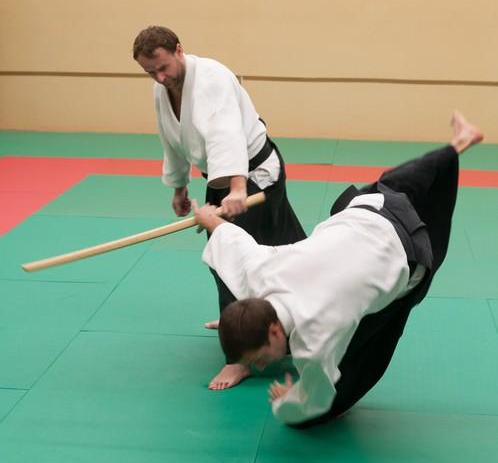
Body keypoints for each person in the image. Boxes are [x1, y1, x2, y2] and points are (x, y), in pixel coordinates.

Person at [193, 111, 483, 426]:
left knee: (370, 343)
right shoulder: (260, 274)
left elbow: (316, 397)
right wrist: (209, 218)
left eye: (259, 358)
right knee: (398, 183)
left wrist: (287, 403)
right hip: (370, 206)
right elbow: (233, 241)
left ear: (275, 331)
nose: (261, 367)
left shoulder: (314, 342)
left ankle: (459, 145)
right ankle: (458, 144)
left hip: (409, 252)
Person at [132, 25, 306, 390]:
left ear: (179, 50)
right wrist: (179, 186)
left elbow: (227, 133)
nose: (159, 77)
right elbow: (171, 139)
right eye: (151, 72)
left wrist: (238, 187)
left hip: (255, 173)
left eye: (162, 67)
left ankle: (240, 355)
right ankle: (245, 319)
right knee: (258, 246)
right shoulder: (162, 89)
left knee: (233, 251)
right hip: (222, 177)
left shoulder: (212, 78)